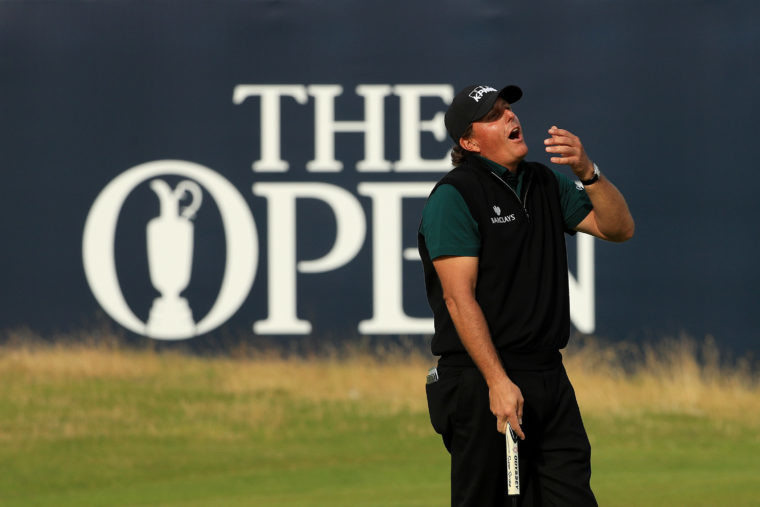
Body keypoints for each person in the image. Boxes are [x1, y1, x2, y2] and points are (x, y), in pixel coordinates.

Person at [419, 84, 634, 506]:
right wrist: (497, 383)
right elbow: (459, 300)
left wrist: (588, 173)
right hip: (481, 379)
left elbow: (618, 229)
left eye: (508, 109)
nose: (511, 117)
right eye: (494, 115)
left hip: (548, 375)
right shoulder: (455, 196)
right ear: (468, 141)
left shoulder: (544, 181)